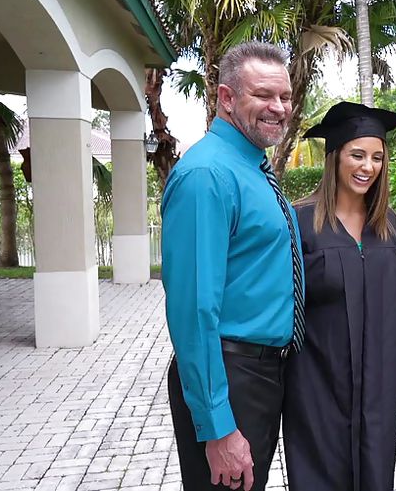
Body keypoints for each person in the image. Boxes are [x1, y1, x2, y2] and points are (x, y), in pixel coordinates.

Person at [161, 41, 303, 491]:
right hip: (231, 375)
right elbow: (193, 310)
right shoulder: (207, 175)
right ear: (225, 98)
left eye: (284, 96)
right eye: (263, 95)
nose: (278, 107)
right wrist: (218, 426)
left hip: (260, 376)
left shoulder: (252, 167)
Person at [283, 101, 396, 491]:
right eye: (357, 155)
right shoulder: (299, 221)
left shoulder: (391, 226)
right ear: (335, 156)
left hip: (379, 387)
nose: (367, 166)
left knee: (375, 473)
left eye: (376, 157)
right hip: (316, 383)